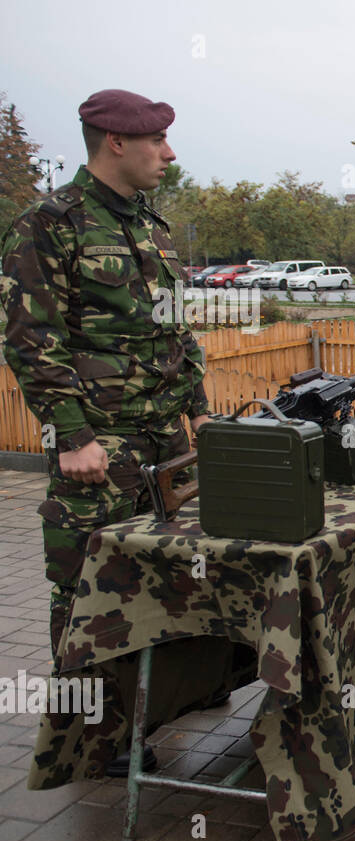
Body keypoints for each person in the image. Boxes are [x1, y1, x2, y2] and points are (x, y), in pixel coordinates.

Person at [1, 89, 215, 776]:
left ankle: (156, 707)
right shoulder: (48, 224)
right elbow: (32, 339)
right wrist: (72, 436)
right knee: (90, 593)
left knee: (161, 585)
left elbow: (176, 330)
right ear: (114, 143)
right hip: (101, 447)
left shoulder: (153, 227)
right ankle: (91, 745)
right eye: (158, 141)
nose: (170, 153)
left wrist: (201, 410)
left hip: (161, 445)